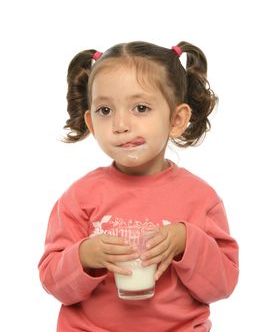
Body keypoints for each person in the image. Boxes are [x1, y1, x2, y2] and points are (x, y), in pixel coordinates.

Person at [38, 40, 239, 332]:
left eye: (140, 108)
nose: (120, 124)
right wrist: (83, 257)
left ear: (176, 119)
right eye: (105, 110)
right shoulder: (79, 197)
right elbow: (53, 283)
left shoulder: (201, 199)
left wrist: (187, 242)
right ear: (91, 124)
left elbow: (222, 285)